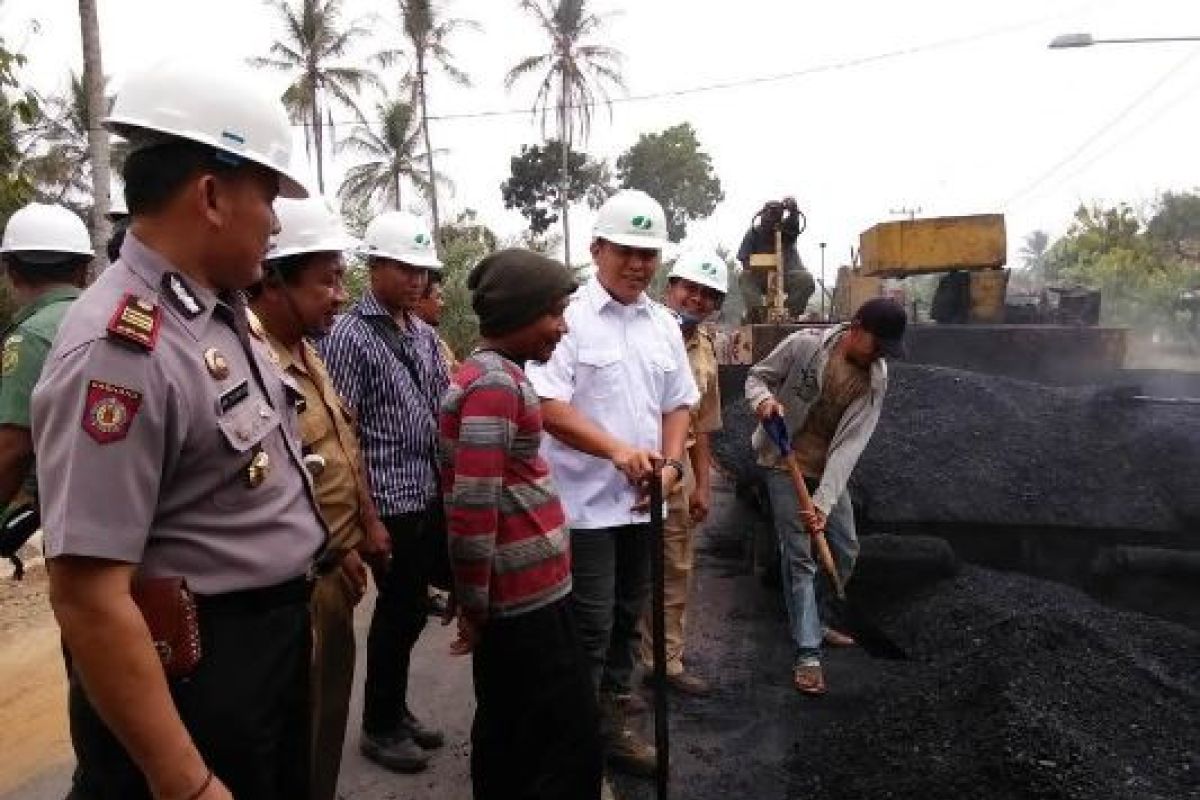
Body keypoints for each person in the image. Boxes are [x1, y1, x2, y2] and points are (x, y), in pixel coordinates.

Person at [31, 58, 327, 800]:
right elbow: (88, 595)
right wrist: (183, 780)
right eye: (267, 195)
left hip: (263, 657)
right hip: (201, 683)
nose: (277, 220)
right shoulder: (121, 349)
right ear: (211, 196)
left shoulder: (217, 315)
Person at [526, 189, 698, 777]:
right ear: (597, 248)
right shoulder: (568, 319)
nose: (638, 264)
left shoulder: (663, 326)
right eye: (626, 250)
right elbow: (547, 403)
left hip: (643, 506)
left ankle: (612, 724)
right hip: (583, 509)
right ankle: (576, 747)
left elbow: (679, 404)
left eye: (649, 254)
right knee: (589, 628)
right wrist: (617, 450)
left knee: (629, 619)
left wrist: (672, 467)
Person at [441, 247, 602, 799]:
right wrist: (474, 606)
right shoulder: (495, 386)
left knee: (515, 733)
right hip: (521, 606)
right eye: (553, 313)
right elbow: (472, 507)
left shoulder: (502, 377)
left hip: (529, 598)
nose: (561, 328)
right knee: (559, 742)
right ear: (517, 313)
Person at [247, 197, 392, 800]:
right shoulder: (252, 357)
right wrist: (332, 550)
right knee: (288, 742)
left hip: (334, 570)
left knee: (326, 724)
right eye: (326, 280)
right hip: (289, 588)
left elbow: (339, 450)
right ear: (273, 279)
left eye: (341, 278)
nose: (339, 293)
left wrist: (364, 527)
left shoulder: (310, 352)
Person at [320, 209, 449, 774]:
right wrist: (365, 517)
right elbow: (343, 429)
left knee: (414, 608)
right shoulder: (349, 334)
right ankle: (379, 725)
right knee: (397, 613)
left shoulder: (421, 332)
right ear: (374, 266)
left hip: (426, 491)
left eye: (422, 269)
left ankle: (394, 708)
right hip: (388, 498)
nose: (417, 279)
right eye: (404, 267)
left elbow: (444, 401)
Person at [744, 298, 907, 695]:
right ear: (857, 327)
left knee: (845, 548)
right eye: (878, 344)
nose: (882, 355)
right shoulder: (805, 346)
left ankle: (818, 618)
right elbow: (756, 377)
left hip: (826, 470)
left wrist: (823, 504)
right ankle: (807, 654)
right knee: (799, 554)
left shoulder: (875, 380)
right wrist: (764, 401)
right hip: (783, 463)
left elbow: (850, 446)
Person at [637, 249, 726, 696]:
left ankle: (664, 662)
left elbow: (704, 425)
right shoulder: (639, 331)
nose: (697, 299)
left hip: (678, 475)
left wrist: (702, 486)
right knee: (622, 576)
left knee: (674, 570)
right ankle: (611, 679)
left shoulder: (706, 349)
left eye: (709, 295)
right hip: (627, 470)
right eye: (690, 288)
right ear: (670, 287)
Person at [0, 203, 92, 576]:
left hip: (72, 528)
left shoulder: (31, 337)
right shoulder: (117, 315)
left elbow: (11, 450)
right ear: (84, 271)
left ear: (11, 270)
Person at [736, 197, 815, 320]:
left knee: (806, 280)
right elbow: (743, 257)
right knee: (745, 277)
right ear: (762, 214)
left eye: (776, 213)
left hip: (786, 275)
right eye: (769, 212)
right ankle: (758, 314)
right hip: (760, 276)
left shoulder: (786, 231)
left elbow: (794, 227)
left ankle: (788, 314)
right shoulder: (754, 232)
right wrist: (757, 267)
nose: (771, 216)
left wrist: (793, 211)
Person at [414, 275, 458, 374]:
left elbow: (458, 372)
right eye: (438, 297)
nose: (442, 303)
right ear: (419, 301)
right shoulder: (410, 345)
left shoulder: (438, 343)